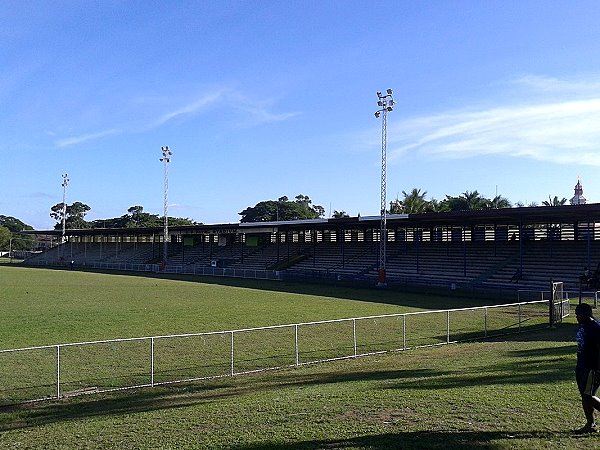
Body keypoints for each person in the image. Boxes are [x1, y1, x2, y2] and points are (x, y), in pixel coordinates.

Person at [575, 302, 600, 433]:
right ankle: (590, 424)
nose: (576, 317)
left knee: (588, 395)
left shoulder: (596, 328)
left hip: (592, 367)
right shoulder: (583, 325)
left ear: (586, 314)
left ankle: (590, 424)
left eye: (579, 315)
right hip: (581, 365)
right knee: (585, 395)